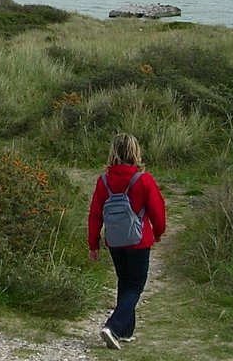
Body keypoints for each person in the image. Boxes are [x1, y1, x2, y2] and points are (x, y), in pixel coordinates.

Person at [88, 133, 166, 349]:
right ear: (135, 151)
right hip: (139, 241)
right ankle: (112, 326)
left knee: (124, 281)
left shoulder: (103, 181)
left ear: (113, 152)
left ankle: (124, 331)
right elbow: (157, 210)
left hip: (115, 241)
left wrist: (93, 244)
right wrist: (158, 232)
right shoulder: (144, 179)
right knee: (135, 285)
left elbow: (95, 214)